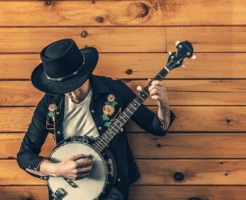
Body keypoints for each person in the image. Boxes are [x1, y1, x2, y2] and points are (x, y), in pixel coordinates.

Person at [16, 38, 175, 200]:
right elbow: (24, 155)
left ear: (84, 73)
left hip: (110, 186)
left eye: (74, 86)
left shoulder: (115, 90)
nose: (71, 95)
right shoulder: (49, 103)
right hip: (67, 190)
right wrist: (58, 169)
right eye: (63, 89)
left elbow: (156, 127)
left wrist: (163, 105)